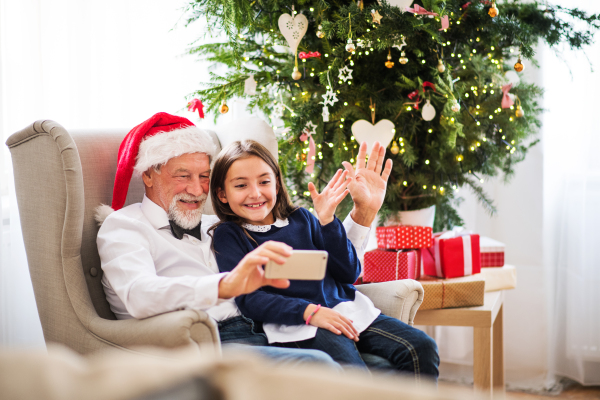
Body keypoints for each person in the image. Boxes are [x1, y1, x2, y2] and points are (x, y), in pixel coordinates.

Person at [95, 112, 389, 367]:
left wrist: (363, 215)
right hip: (206, 342)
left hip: (267, 329)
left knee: (382, 368)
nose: (197, 190)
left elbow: (323, 264)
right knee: (321, 366)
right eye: (183, 176)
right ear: (149, 175)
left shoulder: (222, 225)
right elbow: (139, 294)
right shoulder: (123, 226)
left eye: (203, 176)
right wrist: (225, 285)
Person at [210, 140, 439, 380]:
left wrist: (328, 221)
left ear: (277, 184)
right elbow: (250, 299)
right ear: (222, 194)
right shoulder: (229, 235)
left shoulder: (302, 218)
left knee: (421, 347)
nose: (255, 193)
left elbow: (348, 273)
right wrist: (310, 311)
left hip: (349, 311)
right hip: (302, 325)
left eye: (264, 181)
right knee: (356, 377)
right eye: (241, 185)